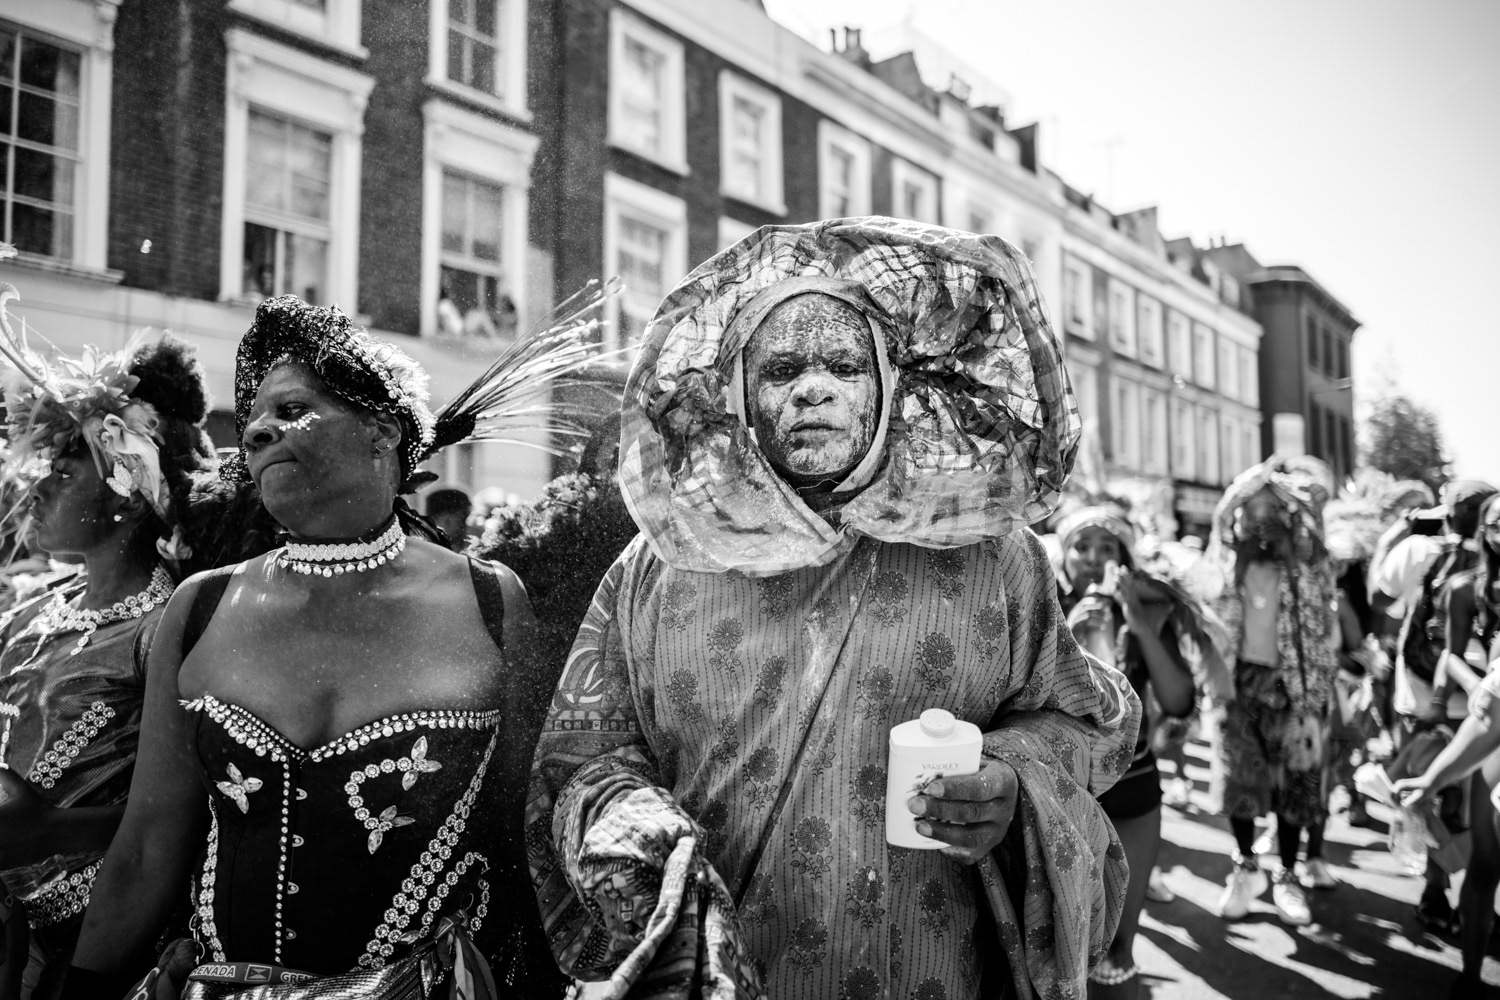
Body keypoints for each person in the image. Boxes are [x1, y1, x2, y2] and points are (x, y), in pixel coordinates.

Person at [528, 218, 1140, 1000]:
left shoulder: (990, 556)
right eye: (783, 368)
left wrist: (1011, 782)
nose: (813, 387)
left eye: (842, 365)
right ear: (738, 391)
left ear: (890, 384)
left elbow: (1091, 723)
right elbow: (579, 762)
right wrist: (639, 835)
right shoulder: (663, 563)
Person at [60, 292, 607, 999]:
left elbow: (527, 836)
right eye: (254, 417)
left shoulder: (489, 601)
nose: (256, 430)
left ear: (380, 432)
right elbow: (146, 847)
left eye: (290, 411)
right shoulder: (200, 607)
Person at [0, 316, 217, 1000]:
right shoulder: (27, 611)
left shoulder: (168, 625)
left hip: (97, 944)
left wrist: (48, 833)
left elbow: (193, 815)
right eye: (45, 457)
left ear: (127, 489)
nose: (40, 478)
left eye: (68, 462)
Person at [1051, 506, 1198, 998]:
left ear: (1124, 559)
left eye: (1107, 548)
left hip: (1134, 790)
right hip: (1061, 793)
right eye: (1082, 546)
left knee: (1118, 949)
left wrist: (1141, 627)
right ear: (1063, 556)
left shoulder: (1148, 608)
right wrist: (1066, 631)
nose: (1093, 559)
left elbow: (1179, 701)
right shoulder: (1042, 604)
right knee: (1057, 942)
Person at [1209, 455, 1340, 927]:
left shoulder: (1307, 568)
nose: (1262, 523)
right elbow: (1214, 606)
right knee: (1239, 781)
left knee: (1292, 788)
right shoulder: (1225, 564)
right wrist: (1254, 488)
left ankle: (1286, 874)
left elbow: (1321, 614)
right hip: (1238, 686)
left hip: (1294, 690)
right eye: (1253, 514)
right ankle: (1245, 868)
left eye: (1272, 514)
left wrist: (1291, 551)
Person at [1377, 480, 1497, 933]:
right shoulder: (1477, 574)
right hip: (1484, 704)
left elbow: (1379, 598)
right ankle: (1476, 895)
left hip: (1425, 698)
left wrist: (1397, 535)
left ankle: (1435, 892)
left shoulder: (1416, 550)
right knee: (1471, 804)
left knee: (1430, 795)